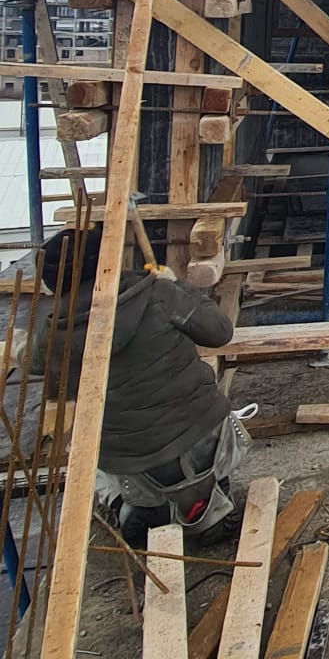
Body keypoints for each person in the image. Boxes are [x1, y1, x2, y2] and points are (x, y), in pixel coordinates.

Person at [37, 225, 247, 546]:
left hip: (134, 464)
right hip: (203, 437)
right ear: (109, 261)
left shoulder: (53, 336)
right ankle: (213, 488)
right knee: (198, 423)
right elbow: (220, 332)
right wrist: (176, 285)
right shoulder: (157, 294)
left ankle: (126, 505)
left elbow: (35, 362)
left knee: (81, 450)